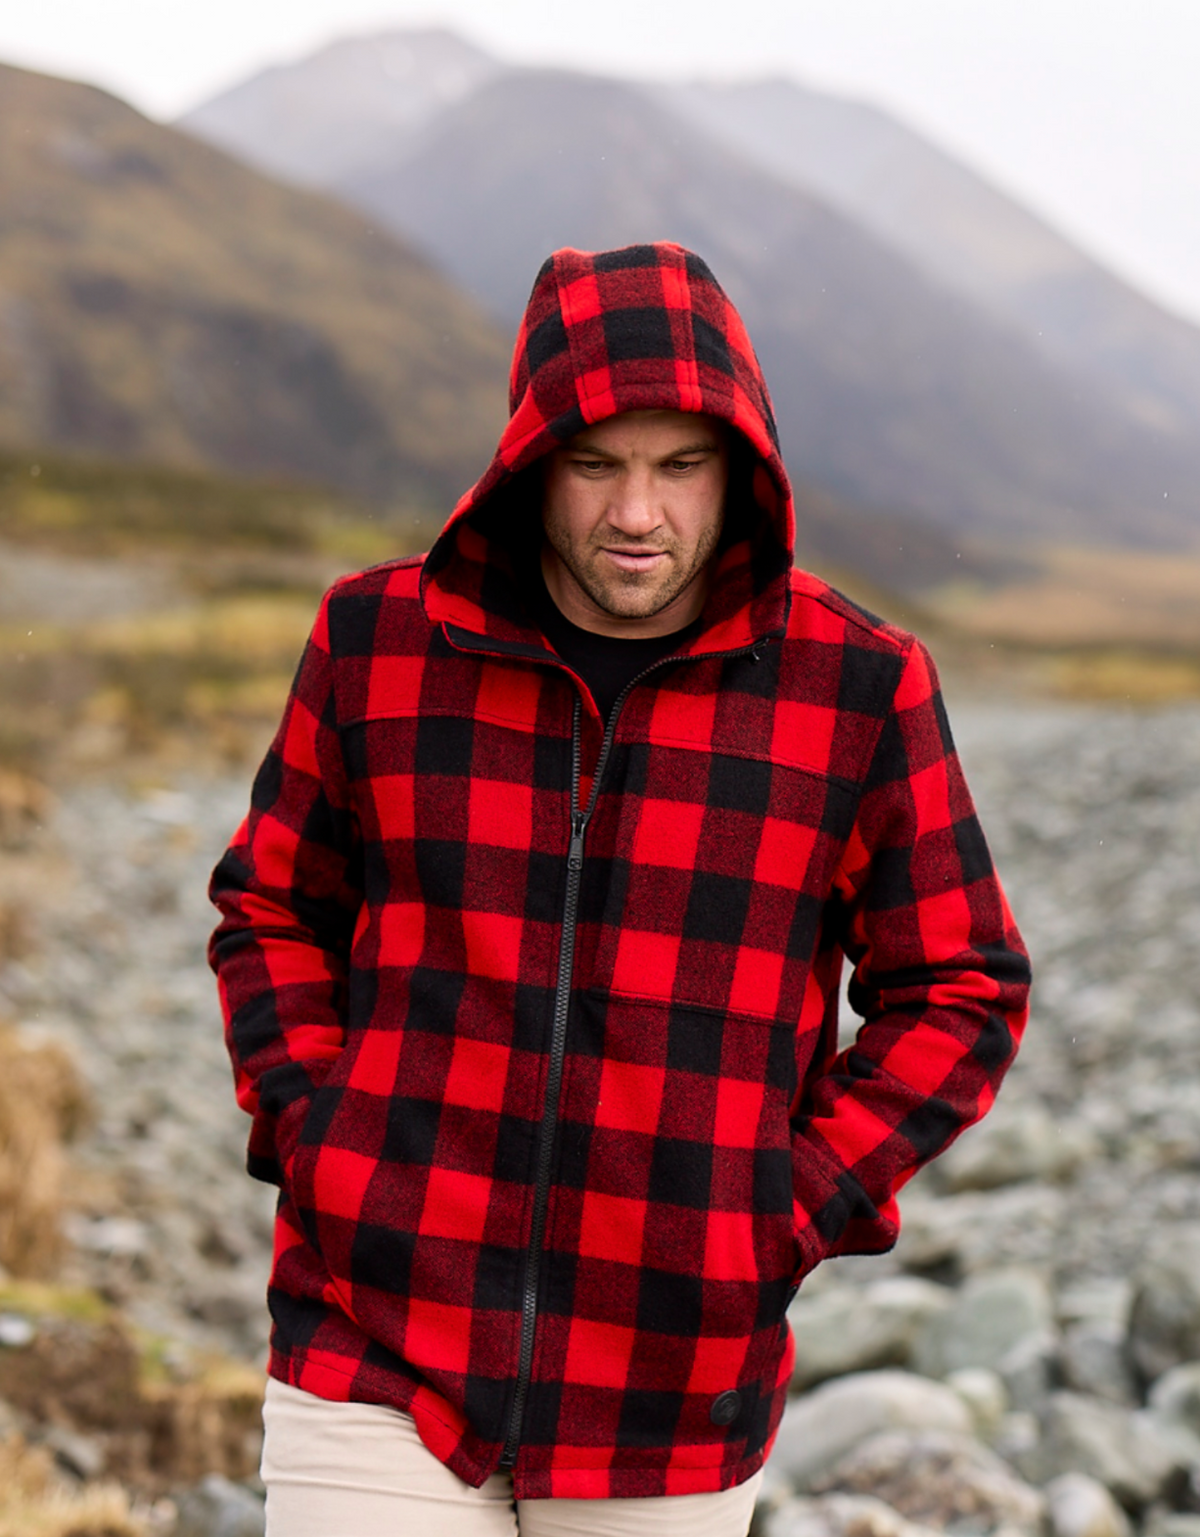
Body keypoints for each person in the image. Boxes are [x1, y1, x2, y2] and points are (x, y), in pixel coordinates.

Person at [209, 241, 1030, 1536]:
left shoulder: (858, 686)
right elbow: (270, 908)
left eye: (679, 465)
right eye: (596, 462)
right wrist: (320, 1136)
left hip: (670, 1381)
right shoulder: (376, 643)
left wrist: (786, 1207)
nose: (635, 512)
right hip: (374, 1334)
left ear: (741, 466)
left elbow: (964, 986)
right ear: (531, 457)